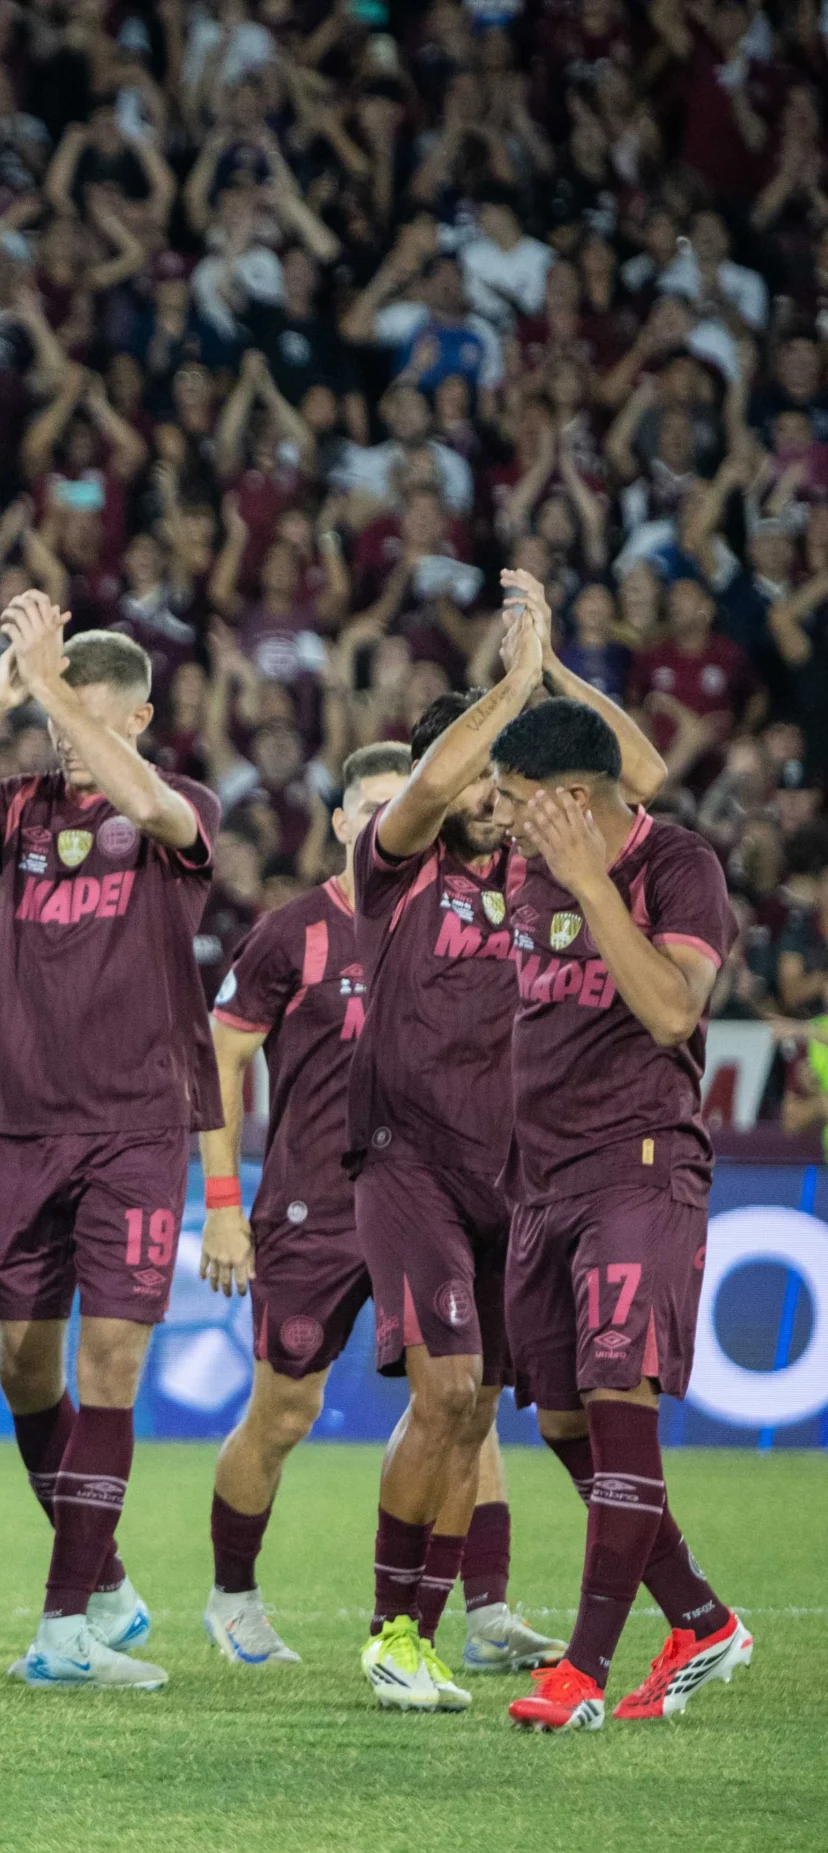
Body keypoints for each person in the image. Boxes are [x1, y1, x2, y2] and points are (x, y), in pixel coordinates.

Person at [0, 597, 222, 1692]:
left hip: (135, 1124)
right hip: (22, 1123)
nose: (55, 734)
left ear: (136, 716)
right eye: (49, 716)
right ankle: (107, 1582)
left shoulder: (179, 807)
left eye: (79, 714)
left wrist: (56, 693)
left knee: (110, 1361)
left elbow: (156, 809)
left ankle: (62, 1628)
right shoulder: (19, 808)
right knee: (21, 1363)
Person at [343, 570, 646, 1711]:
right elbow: (423, 788)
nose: (485, 797)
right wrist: (510, 677)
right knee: (449, 1387)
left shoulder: (542, 881)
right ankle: (389, 1631)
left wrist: (557, 677)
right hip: (405, 1164)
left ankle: (418, 1634)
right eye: (474, 775)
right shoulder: (396, 869)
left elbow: (645, 782)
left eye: (499, 782)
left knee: (474, 1410)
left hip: (509, 1180)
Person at [491, 700, 755, 1732]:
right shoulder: (523, 875)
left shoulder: (677, 868)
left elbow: (671, 1010)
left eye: (516, 802)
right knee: (564, 1425)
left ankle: (584, 1674)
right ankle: (698, 1617)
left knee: (615, 1394)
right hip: (539, 1182)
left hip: (638, 1168)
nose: (502, 818)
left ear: (569, 800)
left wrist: (595, 884)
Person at [198, 742, 409, 1669]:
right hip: (311, 1208)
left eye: (403, 808)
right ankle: (232, 1595)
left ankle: (476, 1611)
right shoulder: (294, 931)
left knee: (458, 1402)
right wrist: (220, 1202)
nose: (382, 823)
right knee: (284, 1411)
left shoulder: (459, 924)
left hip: (427, 1203)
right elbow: (221, 1055)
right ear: (338, 821)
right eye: (368, 807)